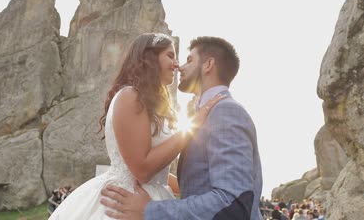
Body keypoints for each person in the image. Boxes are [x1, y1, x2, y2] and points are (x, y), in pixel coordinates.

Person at [48, 33, 223, 220]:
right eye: (170, 55)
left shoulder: (150, 105)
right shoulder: (130, 97)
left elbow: (158, 175)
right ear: (149, 57)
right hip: (124, 204)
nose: (176, 64)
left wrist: (203, 187)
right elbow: (142, 169)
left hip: (151, 199)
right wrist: (193, 127)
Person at [101, 36, 263, 219]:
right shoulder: (206, 114)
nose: (179, 66)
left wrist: (151, 210)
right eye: (172, 56)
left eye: (189, 60)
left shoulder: (225, 111)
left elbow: (233, 201)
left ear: (208, 65)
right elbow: (198, 181)